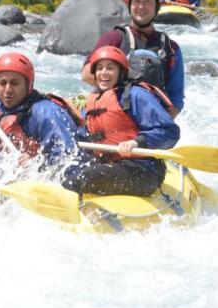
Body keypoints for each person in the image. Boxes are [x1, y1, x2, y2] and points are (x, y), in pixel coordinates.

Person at [61, 45, 180, 198]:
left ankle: (68, 212)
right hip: (110, 164)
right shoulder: (93, 101)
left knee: (84, 176)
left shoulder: (135, 95)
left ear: (121, 72)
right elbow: (81, 136)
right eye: (99, 68)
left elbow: (169, 131)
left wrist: (137, 142)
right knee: (65, 169)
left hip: (143, 171)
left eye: (110, 68)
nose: (103, 73)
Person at [90, 0, 185, 112]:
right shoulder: (114, 38)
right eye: (137, 1)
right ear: (129, 5)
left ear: (157, 6)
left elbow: (176, 98)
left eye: (147, 2)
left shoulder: (171, 48)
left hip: (152, 121)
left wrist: (161, 125)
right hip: (114, 114)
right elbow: (87, 73)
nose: (141, 7)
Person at [0, 52, 79, 166]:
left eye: (15, 83)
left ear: (28, 86)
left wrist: (39, 161)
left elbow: (67, 156)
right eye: (2, 83)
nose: (8, 90)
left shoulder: (47, 113)